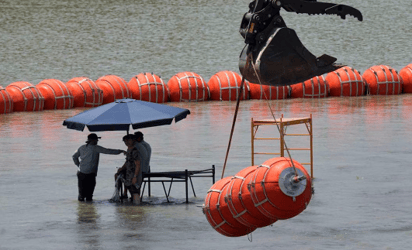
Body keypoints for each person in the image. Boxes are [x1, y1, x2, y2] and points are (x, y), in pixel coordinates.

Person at [73, 133, 125, 202]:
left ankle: (82, 209)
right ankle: (89, 210)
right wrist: (120, 151)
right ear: (93, 140)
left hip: (81, 173)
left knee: (81, 194)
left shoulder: (82, 147)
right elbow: (108, 151)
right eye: (96, 140)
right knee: (89, 195)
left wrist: (78, 165)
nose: (97, 141)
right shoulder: (95, 148)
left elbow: (74, 156)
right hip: (90, 174)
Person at [115, 135, 142, 205]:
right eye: (125, 141)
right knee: (132, 192)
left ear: (133, 140)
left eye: (128, 140)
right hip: (128, 175)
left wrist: (135, 176)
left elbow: (138, 164)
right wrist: (122, 168)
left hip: (134, 175)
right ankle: (133, 211)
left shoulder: (135, 151)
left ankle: (138, 209)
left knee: (135, 192)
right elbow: (127, 162)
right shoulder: (129, 150)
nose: (127, 142)